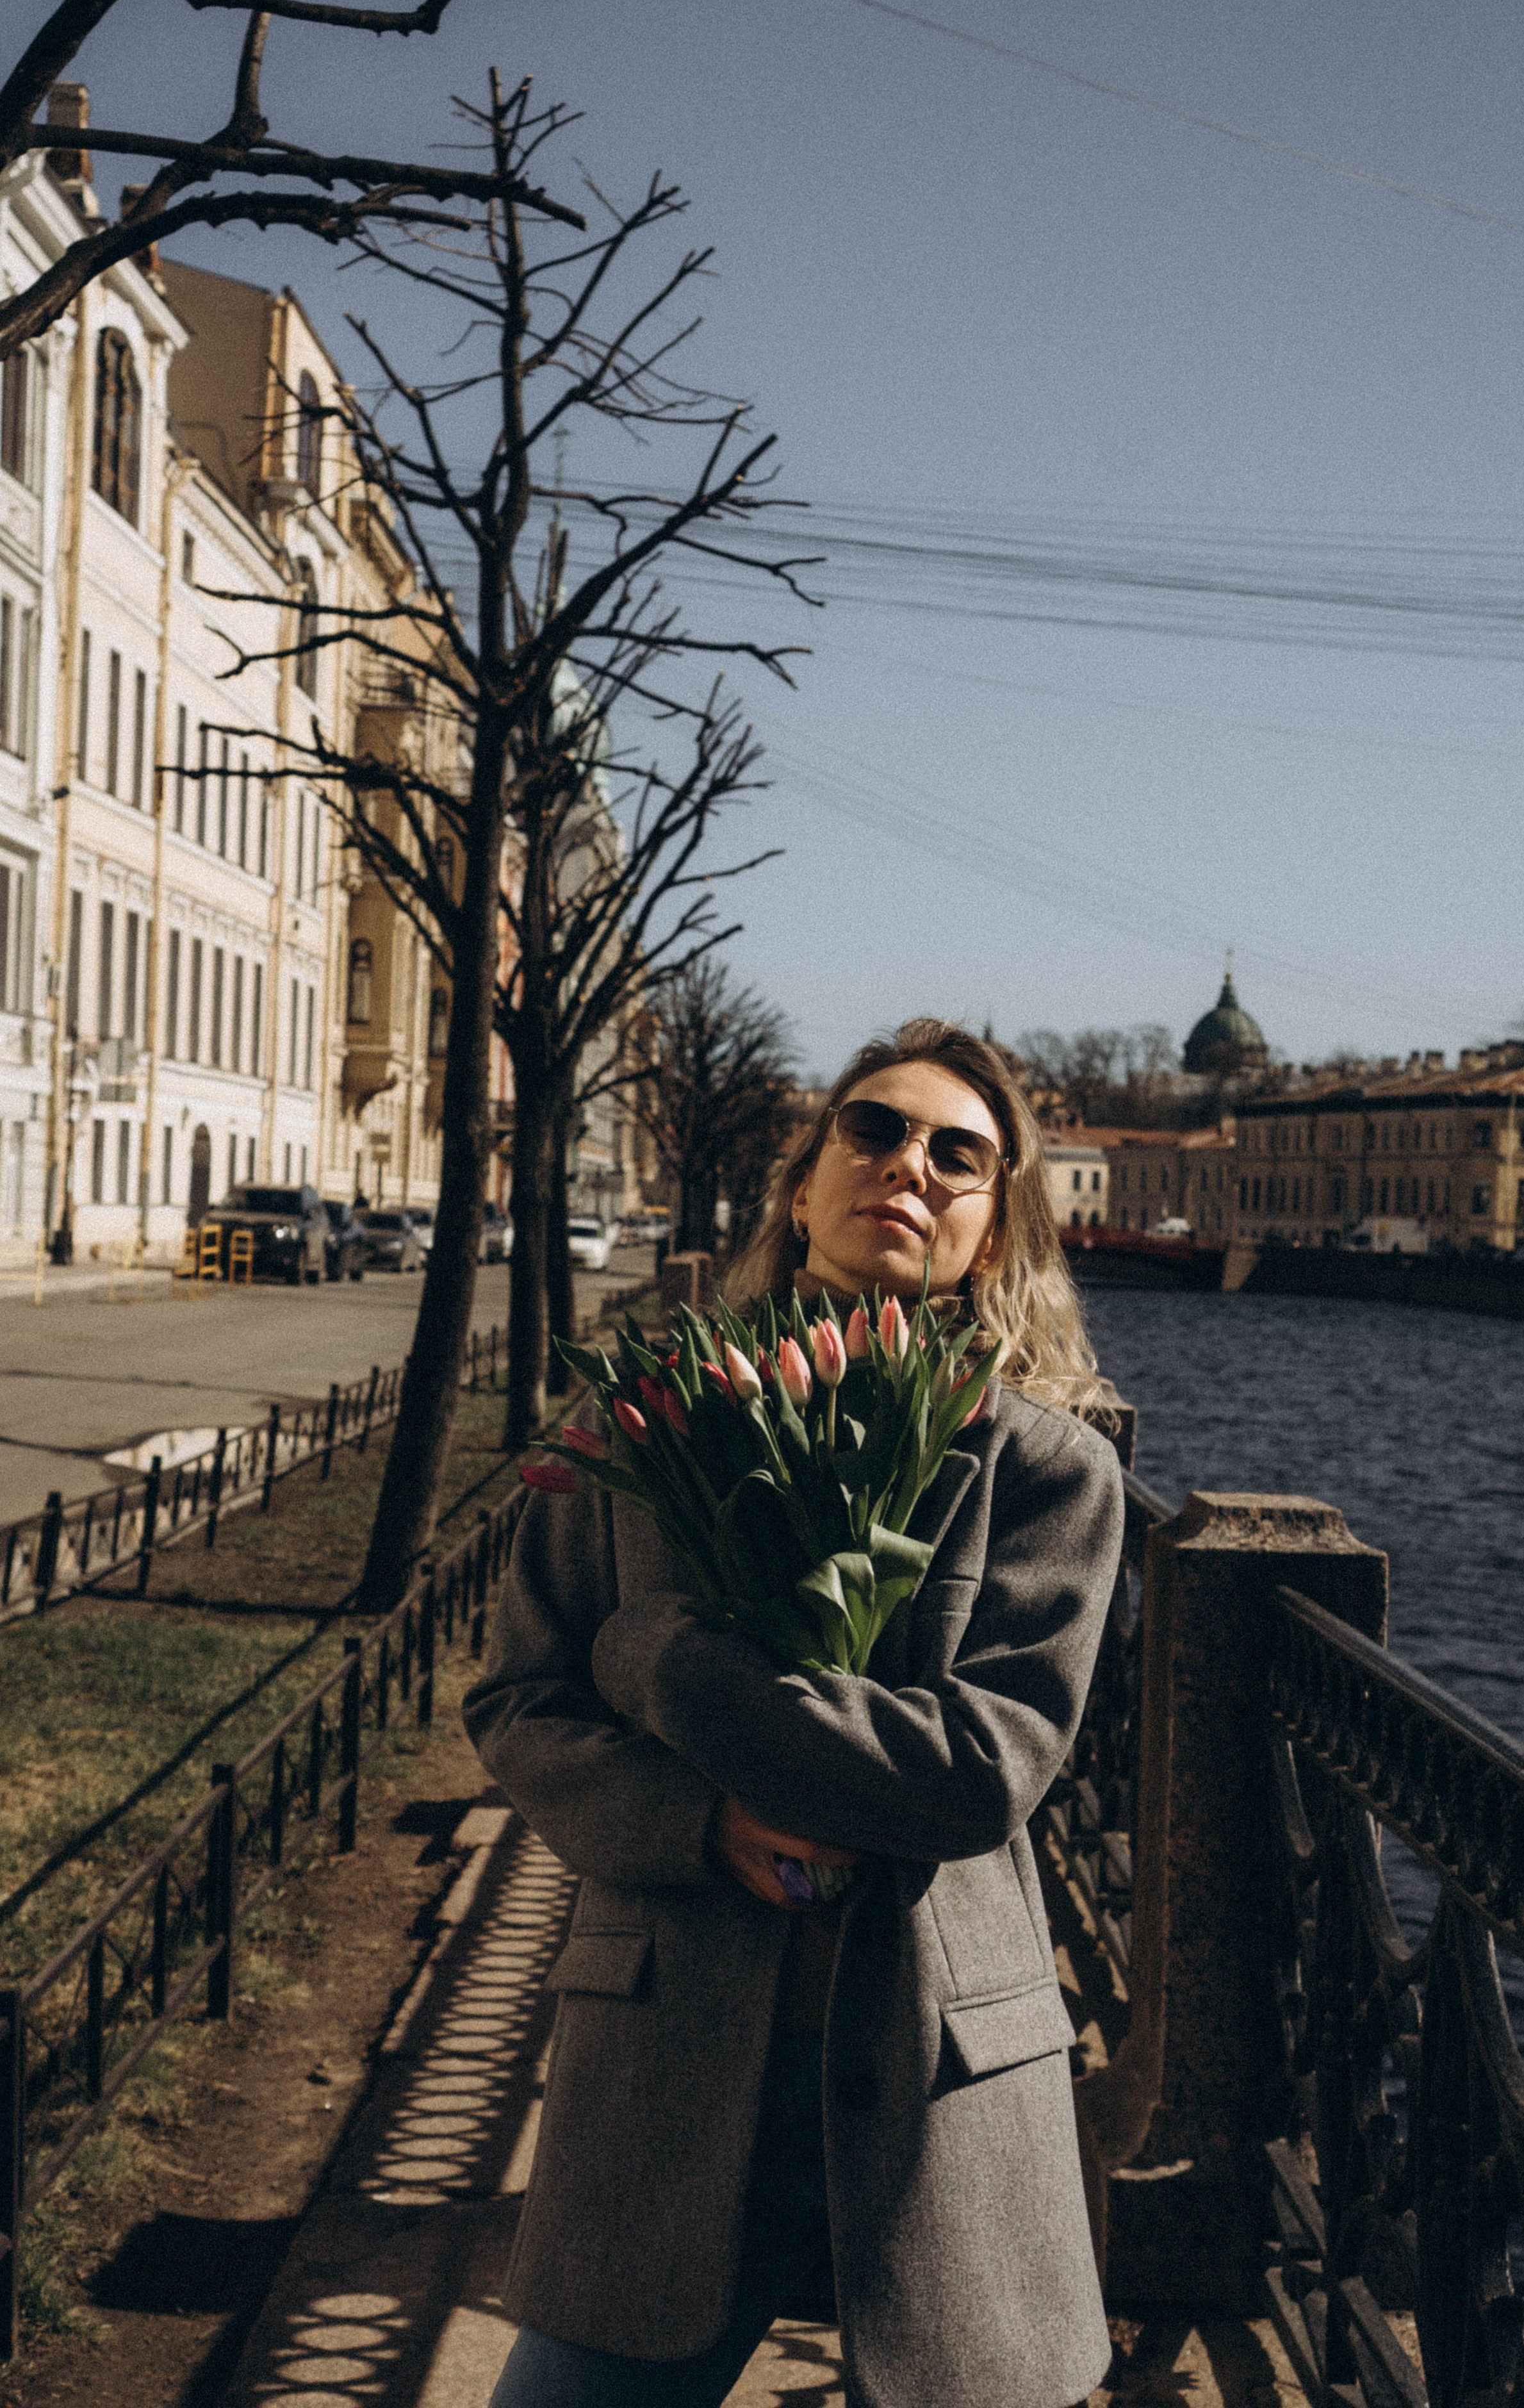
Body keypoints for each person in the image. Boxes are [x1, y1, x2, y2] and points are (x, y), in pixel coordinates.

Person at [464, 1018, 1126, 2408]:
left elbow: (977, 1774)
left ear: (993, 1230)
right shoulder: (640, 1430)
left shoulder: (1046, 1473)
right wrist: (699, 1826)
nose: (910, 1167)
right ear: (801, 1182)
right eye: (872, 1130)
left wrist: (663, 1663)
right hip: (670, 2036)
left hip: (934, 2049)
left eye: (960, 1154)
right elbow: (518, 1699)